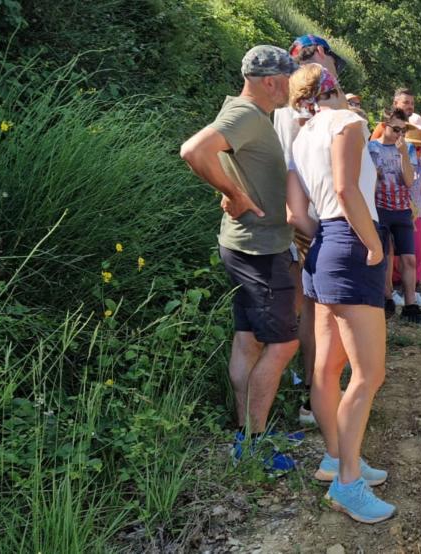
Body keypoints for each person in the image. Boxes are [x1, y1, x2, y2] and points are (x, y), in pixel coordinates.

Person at [179, 45, 300, 471]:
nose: (292, 87)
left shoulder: (246, 112)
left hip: (246, 244)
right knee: (283, 343)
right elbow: (193, 151)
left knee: (249, 339)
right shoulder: (246, 114)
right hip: (259, 249)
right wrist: (234, 193)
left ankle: (247, 433)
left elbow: (226, 160)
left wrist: (233, 191)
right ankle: (253, 444)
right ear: (272, 82)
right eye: (288, 80)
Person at [288, 63, 395, 523]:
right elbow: (347, 189)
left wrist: (329, 242)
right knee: (368, 375)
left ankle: (337, 459)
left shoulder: (302, 135)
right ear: (334, 87)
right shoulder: (348, 122)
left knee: (328, 366)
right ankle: (347, 484)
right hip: (351, 242)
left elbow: (296, 213)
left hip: (324, 247)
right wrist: (373, 245)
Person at [274, 34, 347, 427]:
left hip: (303, 211)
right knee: (323, 310)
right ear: (319, 55)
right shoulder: (312, 101)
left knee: (309, 305)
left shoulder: (287, 102)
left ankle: (311, 387)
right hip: (318, 214)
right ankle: (317, 394)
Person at [367, 107, 421, 322]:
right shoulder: (371, 148)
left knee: (409, 258)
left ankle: (411, 305)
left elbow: (409, 181)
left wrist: (403, 155)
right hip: (380, 209)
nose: (399, 134)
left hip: (401, 210)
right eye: (396, 129)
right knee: (383, 256)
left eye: (403, 130)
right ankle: (386, 299)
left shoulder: (407, 148)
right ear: (384, 125)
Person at [390, 113, 421, 308]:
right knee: (400, 254)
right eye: (413, 145)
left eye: (419, 146)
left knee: (417, 252)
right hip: (403, 212)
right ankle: (397, 290)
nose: (416, 149)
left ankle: (414, 290)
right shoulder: (398, 159)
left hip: (418, 215)